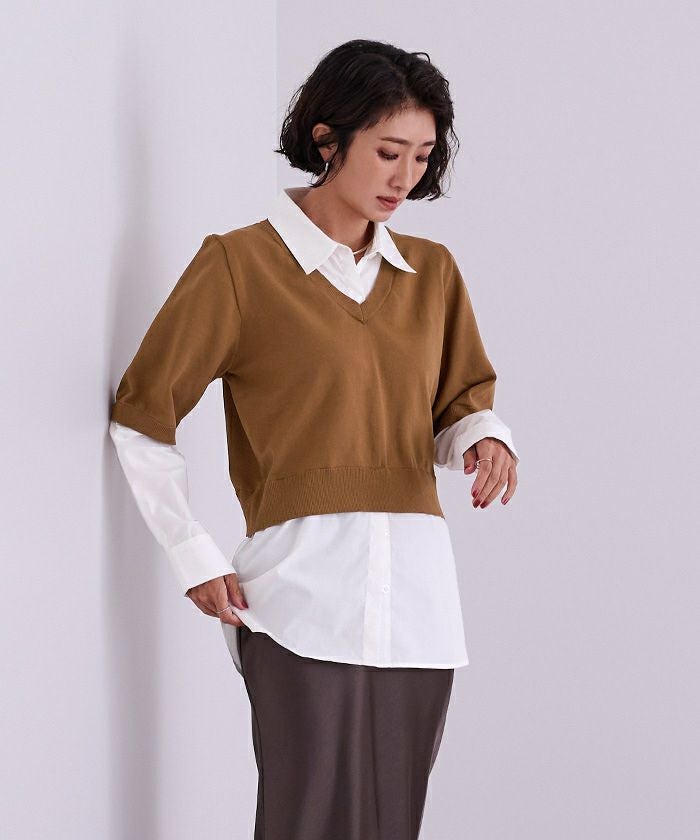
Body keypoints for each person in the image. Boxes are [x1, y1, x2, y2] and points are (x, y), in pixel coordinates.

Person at [109, 38, 519, 840]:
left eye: (422, 157)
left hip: (418, 604)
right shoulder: (240, 265)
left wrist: (485, 438)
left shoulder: (432, 274)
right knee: (302, 819)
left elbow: (459, 402)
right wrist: (193, 552)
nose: (405, 178)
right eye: (389, 152)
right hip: (297, 593)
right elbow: (143, 412)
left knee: (391, 824)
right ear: (327, 139)